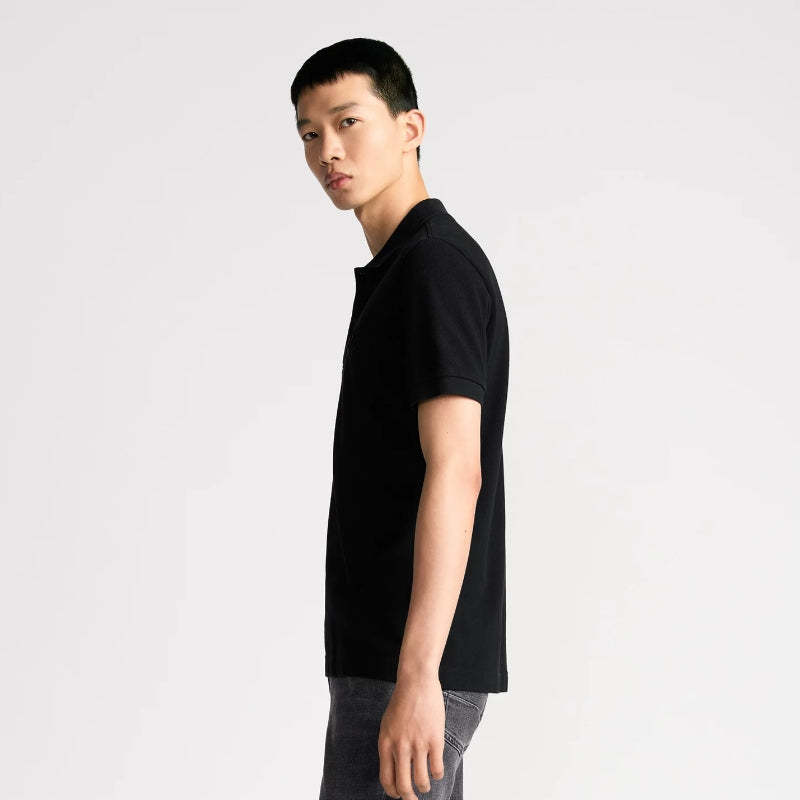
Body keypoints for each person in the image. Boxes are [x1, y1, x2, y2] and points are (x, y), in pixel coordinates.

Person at [290, 37, 510, 800]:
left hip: (407, 664)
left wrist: (417, 675)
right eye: (310, 133)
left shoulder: (432, 267)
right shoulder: (401, 271)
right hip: (384, 658)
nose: (327, 150)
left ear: (411, 127)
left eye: (348, 122)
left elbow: (458, 467)